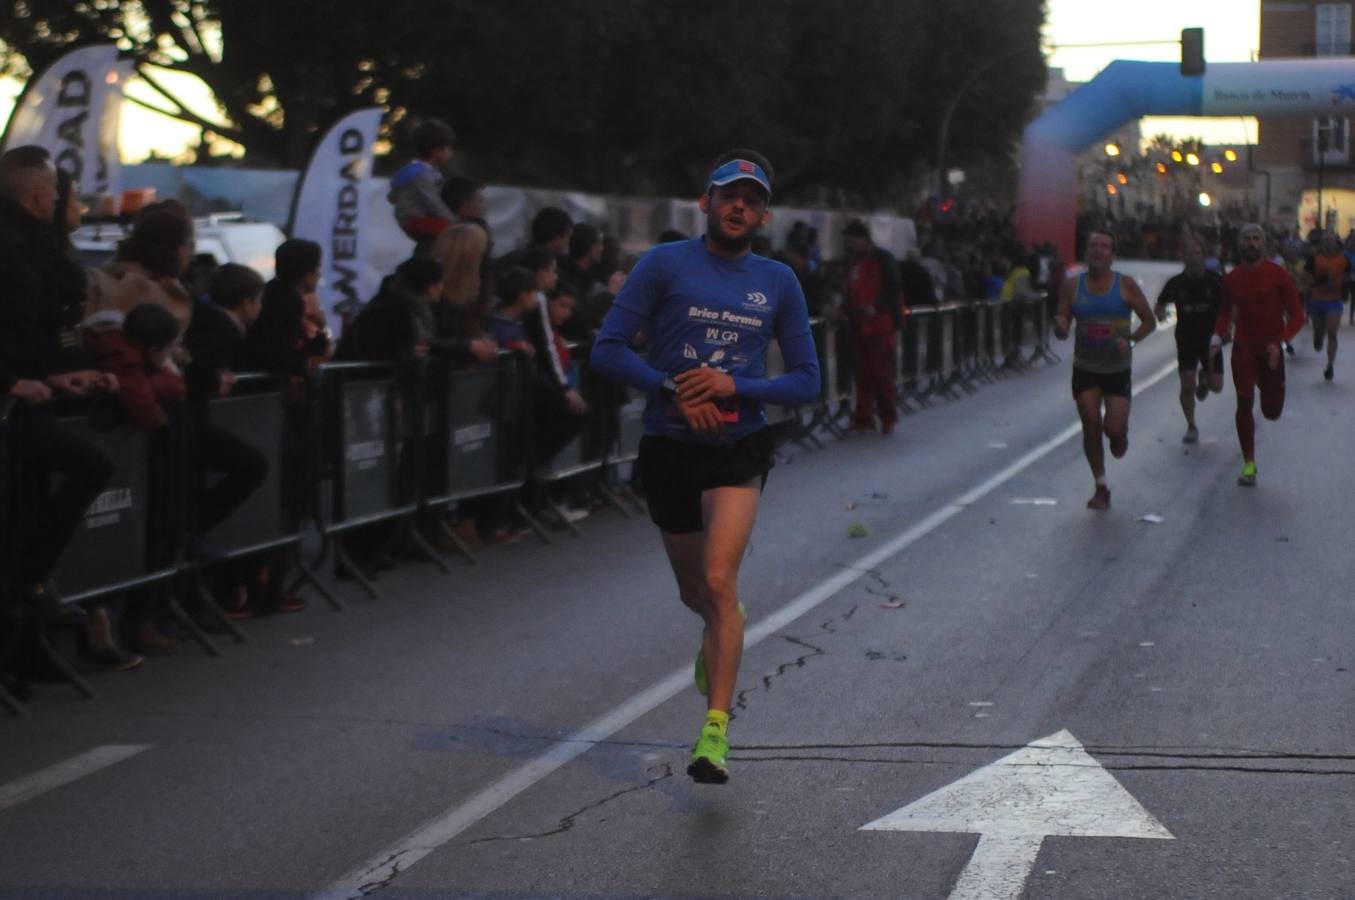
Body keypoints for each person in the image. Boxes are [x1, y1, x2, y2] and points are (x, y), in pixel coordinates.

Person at [590, 149, 820, 784]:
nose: (738, 206)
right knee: (697, 592)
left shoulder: (778, 281)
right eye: (728, 195)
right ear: (707, 202)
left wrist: (732, 388)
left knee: (720, 581)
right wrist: (670, 389)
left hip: (737, 447)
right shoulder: (664, 264)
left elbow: (806, 381)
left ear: (763, 213)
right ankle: (718, 631)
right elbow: (607, 349)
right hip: (668, 446)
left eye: (750, 198)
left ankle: (714, 733)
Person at [1053, 231, 1155, 510]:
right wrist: (1060, 326)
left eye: (1104, 247)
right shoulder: (1073, 286)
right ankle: (1100, 486)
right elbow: (1062, 322)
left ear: (1113, 255)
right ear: (1087, 252)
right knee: (1090, 423)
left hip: (1116, 368)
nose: (1098, 251)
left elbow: (1149, 321)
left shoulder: (1126, 286)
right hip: (1085, 366)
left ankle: (1120, 434)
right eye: (1093, 246)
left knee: (1113, 429)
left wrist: (1131, 340)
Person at [1210, 224, 1305, 487]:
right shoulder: (1232, 278)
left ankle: (1265, 386)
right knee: (1243, 402)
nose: (1251, 243)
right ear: (1239, 244)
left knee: (1272, 411)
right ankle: (1249, 463)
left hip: (1271, 348)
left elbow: (1298, 316)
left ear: (1264, 245)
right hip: (1244, 347)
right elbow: (1225, 313)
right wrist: (1217, 337)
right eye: (1246, 239)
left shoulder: (1279, 275)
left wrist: (1281, 343)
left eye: (1256, 239)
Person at [1154, 236, 1225, 443]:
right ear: (1182, 257)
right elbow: (1160, 304)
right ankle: (1191, 425)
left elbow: (1229, 306)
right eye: (1189, 254)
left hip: (1211, 341)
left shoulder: (1215, 281)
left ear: (1203, 256)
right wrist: (1160, 314)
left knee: (1217, 386)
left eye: (1197, 254)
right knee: (1187, 384)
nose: (1193, 258)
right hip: (1186, 340)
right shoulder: (1176, 283)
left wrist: (1227, 327)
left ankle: (1206, 378)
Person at [841, 219, 904, 433]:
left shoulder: (883, 260)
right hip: (859, 325)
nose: (849, 245)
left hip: (880, 325)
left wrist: (877, 307)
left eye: (851, 241)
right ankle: (864, 417)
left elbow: (893, 289)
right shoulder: (853, 263)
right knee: (862, 374)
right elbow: (850, 292)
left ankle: (887, 416)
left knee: (881, 374)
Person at [388, 118, 457, 256]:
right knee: (455, 231)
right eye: (449, 147)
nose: (451, 151)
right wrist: (454, 219)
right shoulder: (423, 174)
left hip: (411, 218)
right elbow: (432, 202)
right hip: (416, 220)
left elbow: (392, 196)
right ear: (437, 150)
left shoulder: (413, 169)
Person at [1308, 230, 1346, 380]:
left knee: (1332, 332)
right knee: (1319, 333)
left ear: (1336, 242)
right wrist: (1316, 281)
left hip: (1334, 301)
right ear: (1322, 242)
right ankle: (1317, 338)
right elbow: (1306, 277)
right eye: (1326, 239)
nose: (1329, 242)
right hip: (1317, 300)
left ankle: (1330, 366)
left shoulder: (1344, 260)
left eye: (1331, 239)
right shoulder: (1314, 259)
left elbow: (1349, 275)